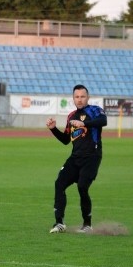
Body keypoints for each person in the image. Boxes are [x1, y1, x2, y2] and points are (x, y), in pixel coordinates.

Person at [45, 84, 107, 234]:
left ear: (88, 97)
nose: (79, 100)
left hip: (92, 157)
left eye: (82, 96)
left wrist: (84, 123)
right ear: (73, 98)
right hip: (75, 158)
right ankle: (59, 223)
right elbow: (66, 140)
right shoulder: (71, 116)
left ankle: (87, 224)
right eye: (77, 97)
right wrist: (53, 129)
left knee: (82, 186)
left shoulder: (95, 110)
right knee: (59, 184)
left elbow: (103, 121)